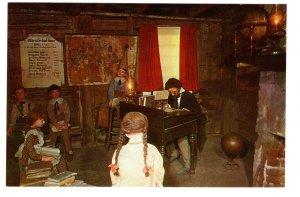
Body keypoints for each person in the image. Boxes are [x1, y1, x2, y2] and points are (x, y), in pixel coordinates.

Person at [108, 112, 165, 187]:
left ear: (126, 133)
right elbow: (160, 174)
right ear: (145, 130)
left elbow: (114, 179)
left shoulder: (118, 152)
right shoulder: (153, 150)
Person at [164, 78, 201, 175]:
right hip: (176, 121)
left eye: (173, 92)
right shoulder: (171, 94)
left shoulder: (189, 96)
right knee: (166, 131)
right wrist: (168, 106)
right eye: (170, 92)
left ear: (178, 88)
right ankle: (175, 153)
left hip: (188, 123)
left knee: (181, 138)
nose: (172, 94)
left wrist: (189, 111)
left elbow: (198, 113)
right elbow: (171, 104)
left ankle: (187, 165)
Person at [15, 108, 68, 173]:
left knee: (58, 154)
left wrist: (52, 131)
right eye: (42, 120)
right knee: (59, 159)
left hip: (36, 153)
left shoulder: (36, 129)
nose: (44, 122)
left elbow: (42, 140)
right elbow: (31, 153)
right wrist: (44, 158)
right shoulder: (31, 134)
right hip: (31, 159)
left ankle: (63, 177)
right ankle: (62, 177)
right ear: (34, 120)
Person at [47, 84, 73, 162]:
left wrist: (66, 122)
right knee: (53, 135)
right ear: (50, 94)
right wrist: (55, 124)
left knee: (65, 134)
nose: (55, 93)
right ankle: (52, 152)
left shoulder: (63, 101)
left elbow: (67, 112)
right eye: (53, 92)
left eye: (57, 92)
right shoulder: (50, 103)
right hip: (55, 122)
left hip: (63, 121)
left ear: (60, 93)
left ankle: (68, 151)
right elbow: (50, 115)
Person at [7, 86, 35, 158]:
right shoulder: (15, 105)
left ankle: (31, 154)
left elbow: (35, 115)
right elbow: (13, 118)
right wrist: (10, 128)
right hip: (19, 124)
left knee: (30, 135)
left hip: (30, 124)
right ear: (15, 95)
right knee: (13, 137)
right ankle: (17, 154)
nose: (20, 94)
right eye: (17, 93)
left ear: (25, 94)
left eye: (22, 92)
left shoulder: (30, 103)